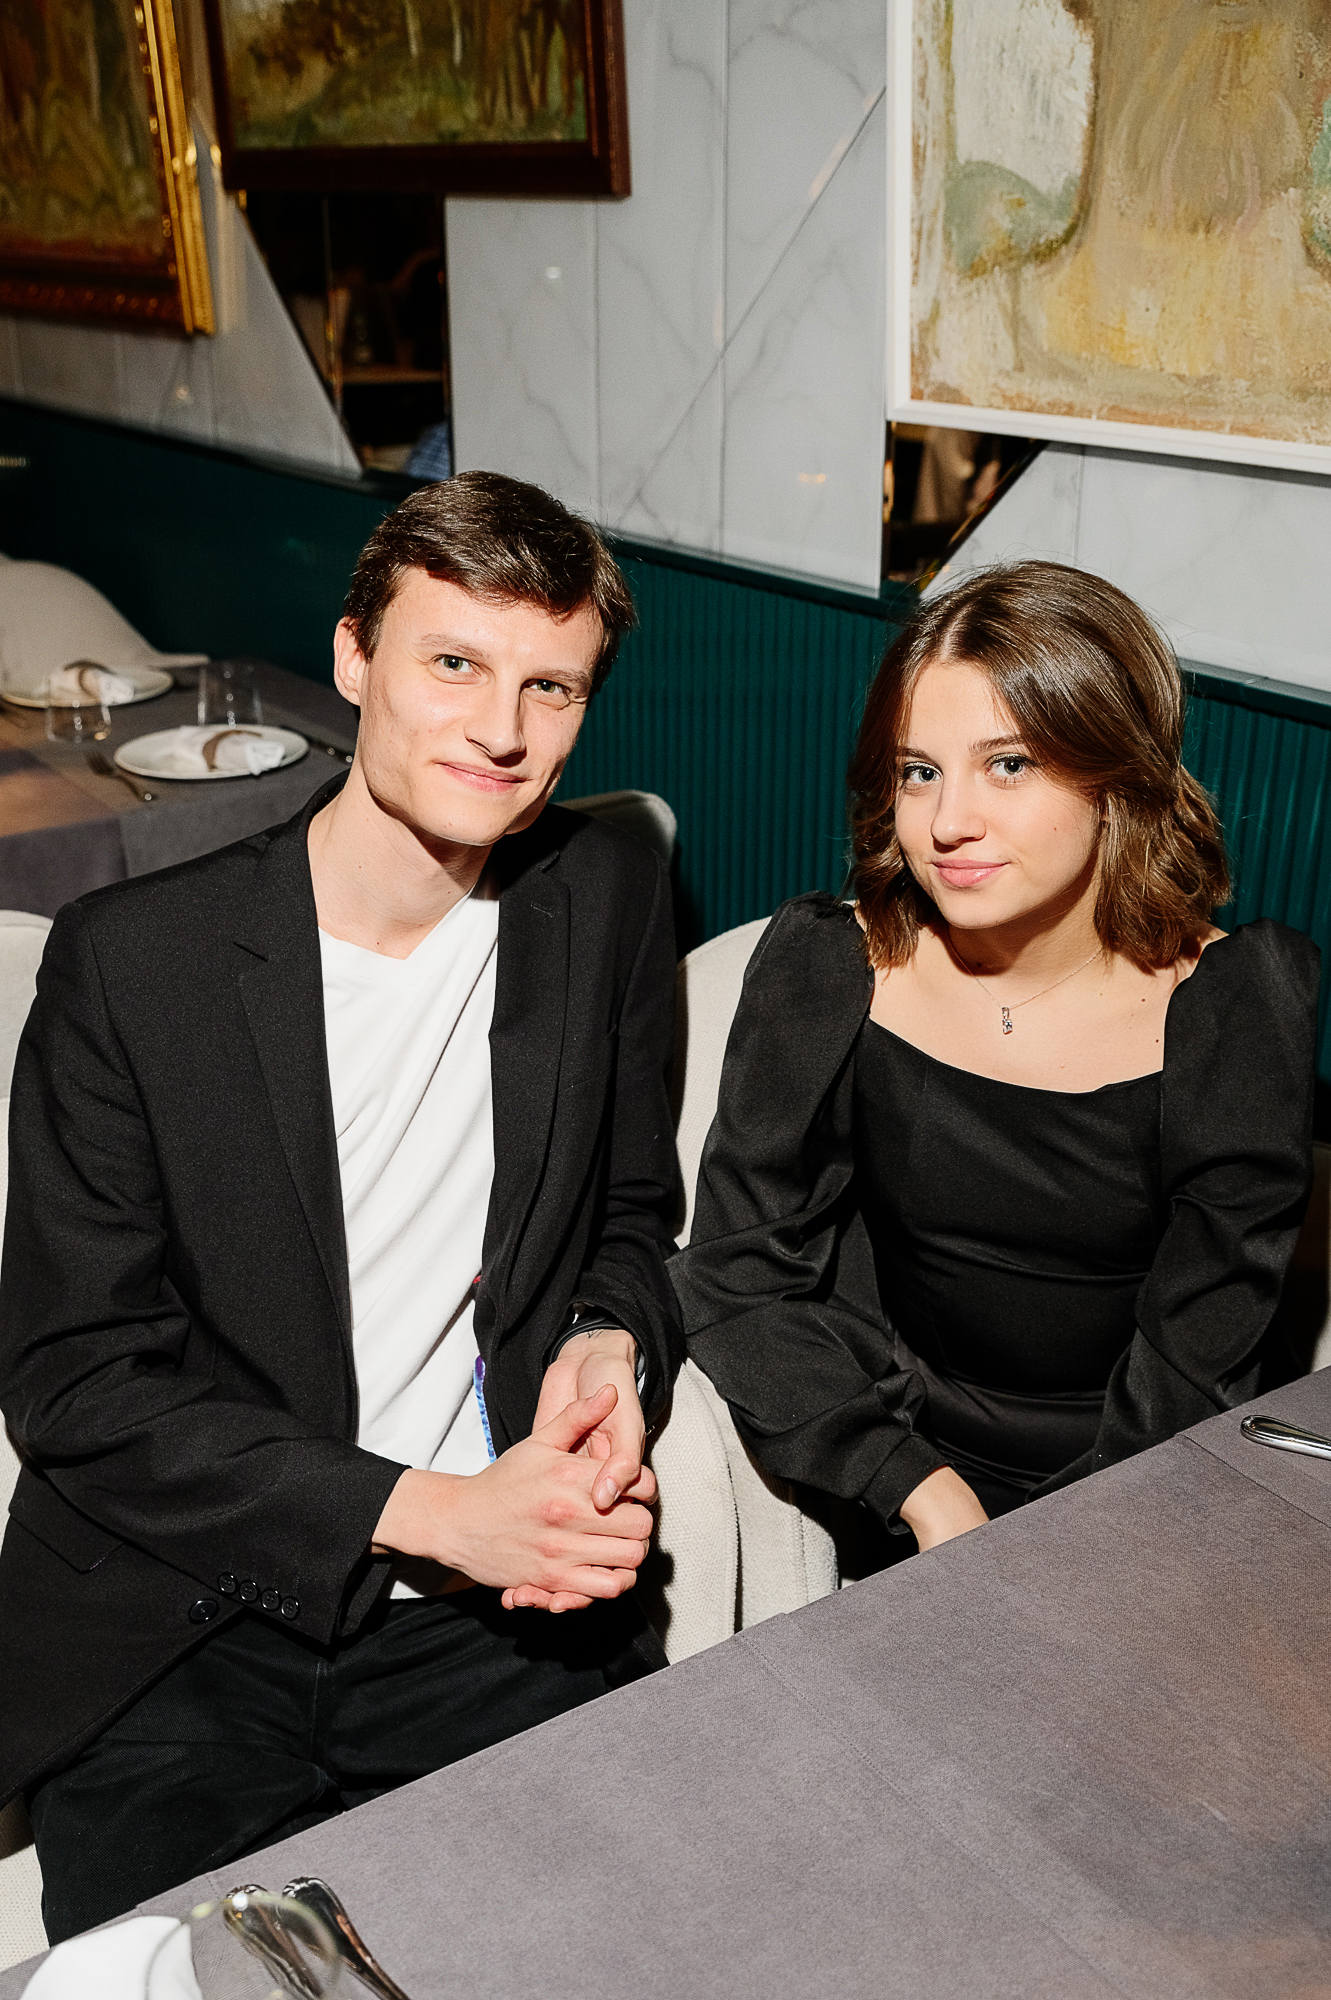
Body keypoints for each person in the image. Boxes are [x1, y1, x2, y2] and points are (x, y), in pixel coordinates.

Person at [0, 472, 684, 1941]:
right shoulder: (134, 964)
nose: (501, 731)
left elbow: (631, 1206)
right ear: (354, 658)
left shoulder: (605, 892)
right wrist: (431, 1511)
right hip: (190, 1621)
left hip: (489, 1629)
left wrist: (606, 1341)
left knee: (617, 1941)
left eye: (550, 687)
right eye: (454, 664)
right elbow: (75, 1384)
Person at [671, 559, 1317, 1557]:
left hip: (1146, 1485)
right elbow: (732, 1273)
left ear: (1116, 776)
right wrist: (916, 1489)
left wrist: (1039, 1554)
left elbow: (1198, 1362)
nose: (946, 823)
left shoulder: (1232, 1008)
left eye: (1006, 764)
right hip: (887, 1470)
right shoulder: (830, 967)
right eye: (918, 770)